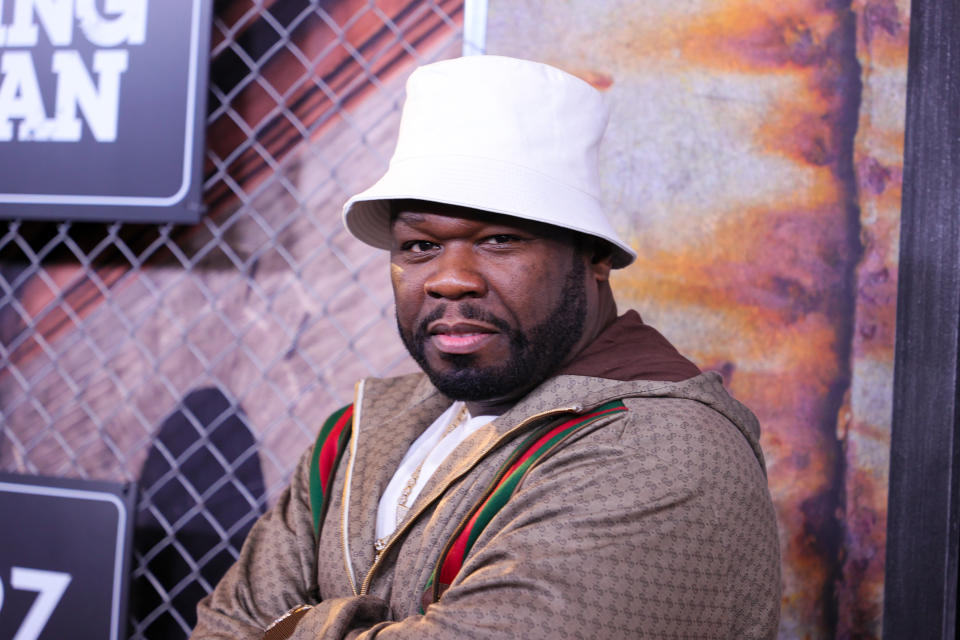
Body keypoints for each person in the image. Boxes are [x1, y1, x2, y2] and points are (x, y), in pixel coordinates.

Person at [191, 55, 781, 640]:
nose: (450, 278)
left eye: (499, 239)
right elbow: (224, 626)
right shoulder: (364, 428)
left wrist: (302, 625)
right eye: (420, 246)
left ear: (594, 256)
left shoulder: (661, 449)